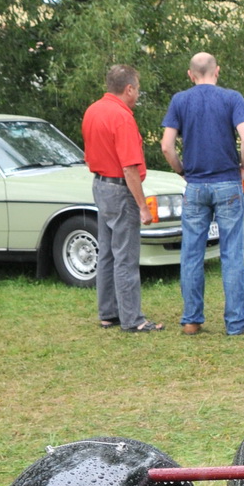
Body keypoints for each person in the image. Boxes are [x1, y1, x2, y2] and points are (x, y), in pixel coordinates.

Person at [160, 53, 244, 336]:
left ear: (191, 75)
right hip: (228, 183)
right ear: (218, 72)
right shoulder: (232, 98)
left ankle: (191, 319)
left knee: (191, 254)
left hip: (196, 186)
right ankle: (237, 322)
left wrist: (181, 171)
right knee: (232, 254)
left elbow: (167, 146)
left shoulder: (180, 100)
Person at [81, 64, 163, 332]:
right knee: (126, 255)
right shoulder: (122, 117)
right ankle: (133, 319)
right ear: (128, 89)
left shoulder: (93, 110)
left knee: (106, 253)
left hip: (100, 186)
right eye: (137, 89)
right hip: (119, 189)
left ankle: (109, 313)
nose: (138, 94)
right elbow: (129, 167)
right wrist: (142, 206)